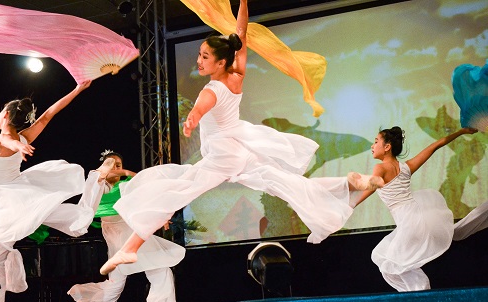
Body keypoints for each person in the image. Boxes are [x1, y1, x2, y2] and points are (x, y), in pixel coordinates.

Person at [99, 0, 382, 275]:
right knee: (284, 183)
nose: (198, 61)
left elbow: (201, 107)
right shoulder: (237, 73)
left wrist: (193, 119)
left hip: (224, 154)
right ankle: (349, 181)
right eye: (199, 54)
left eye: (205, 57)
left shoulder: (210, 90)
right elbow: (242, 33)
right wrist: (243, 4)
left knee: (177, 189)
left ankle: (131, 247)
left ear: (221, 62)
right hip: (238, 150)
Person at [0, 81, 112, 302]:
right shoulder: (21, 137)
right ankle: (96, 182)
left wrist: (16, 145)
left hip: (12, 198)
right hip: (21, 194)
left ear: (5, 115)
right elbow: (47, 116)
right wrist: (76, 90)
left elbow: (6, 140)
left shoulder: (9, 137)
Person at [351, 126, 478, 292]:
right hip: (418, 216)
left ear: (387, 147)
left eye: (376, 142)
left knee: (387, 261)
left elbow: (370, 187)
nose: (372, 146)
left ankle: (421, 292)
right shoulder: (406, 167)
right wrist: (461, 132)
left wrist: (350, 205)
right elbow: (435, 146)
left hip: (410, 221)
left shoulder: (380, 168)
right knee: (387, 259)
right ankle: (418, 292)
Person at [68, 150, 186, 302]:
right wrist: (124, 171)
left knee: (157, 267)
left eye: (119, 165)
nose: (115, 168)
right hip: (115, 231)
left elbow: (147, 194)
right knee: (117, 281)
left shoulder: (125, 184)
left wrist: (161, 217)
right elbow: (93, 193)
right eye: (111, 164)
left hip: (130, 228)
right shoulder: (97, 183)